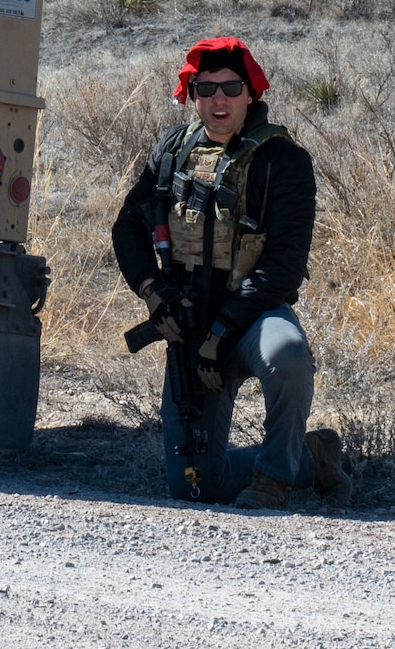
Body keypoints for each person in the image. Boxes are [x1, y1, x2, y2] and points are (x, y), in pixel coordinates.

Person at [112, 36, 350, 509]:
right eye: (206, 89)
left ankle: (275, 480)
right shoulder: (172, 151)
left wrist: (223, 331)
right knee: (194, 487)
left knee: (288, 356)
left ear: (251, 94)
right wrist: (152, 291)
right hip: (192, 327)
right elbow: (127, 227)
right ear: (191, 95)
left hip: (255, 315)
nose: (218, 99)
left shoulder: (284, 162)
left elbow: (283, 267)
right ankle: (311, 456)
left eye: (230, 88)